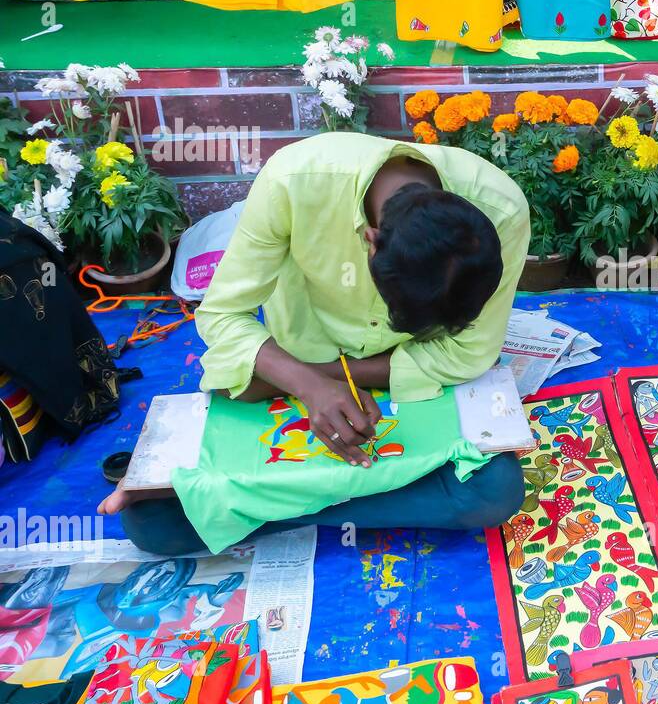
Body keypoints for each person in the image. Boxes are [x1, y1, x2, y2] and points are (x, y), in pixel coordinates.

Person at [101, 133, 528, 554]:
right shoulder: (293, 180)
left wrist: (292, 381)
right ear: (371, 243)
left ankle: (261, 507)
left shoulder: (501, 211)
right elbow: (222, 314)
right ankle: (315, 499)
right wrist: (308, 386)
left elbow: (469, 352)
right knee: (150, 524)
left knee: (497, 489)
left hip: (387, 379)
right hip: (301, 370)